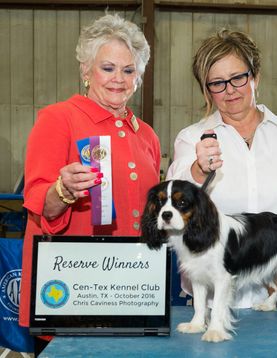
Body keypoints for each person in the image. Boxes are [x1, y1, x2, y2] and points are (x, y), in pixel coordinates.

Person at [19, 13, 161, 355]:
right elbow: (38, 199)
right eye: (108, 68)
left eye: (129, 70)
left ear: (139, 77)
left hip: (132, 294)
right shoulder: (58, 118)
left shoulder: (149, 137)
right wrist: (62, 191)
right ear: (86, 70)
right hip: (74, 293)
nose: (119, 79)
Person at [167, 29, 277, 308]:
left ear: (255, 76)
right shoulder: (191, 138)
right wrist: (197, 171)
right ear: (206, 90)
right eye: (217, 83)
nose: (230, 89)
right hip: (215, 305)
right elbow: (175, 213)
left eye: (238, 78)